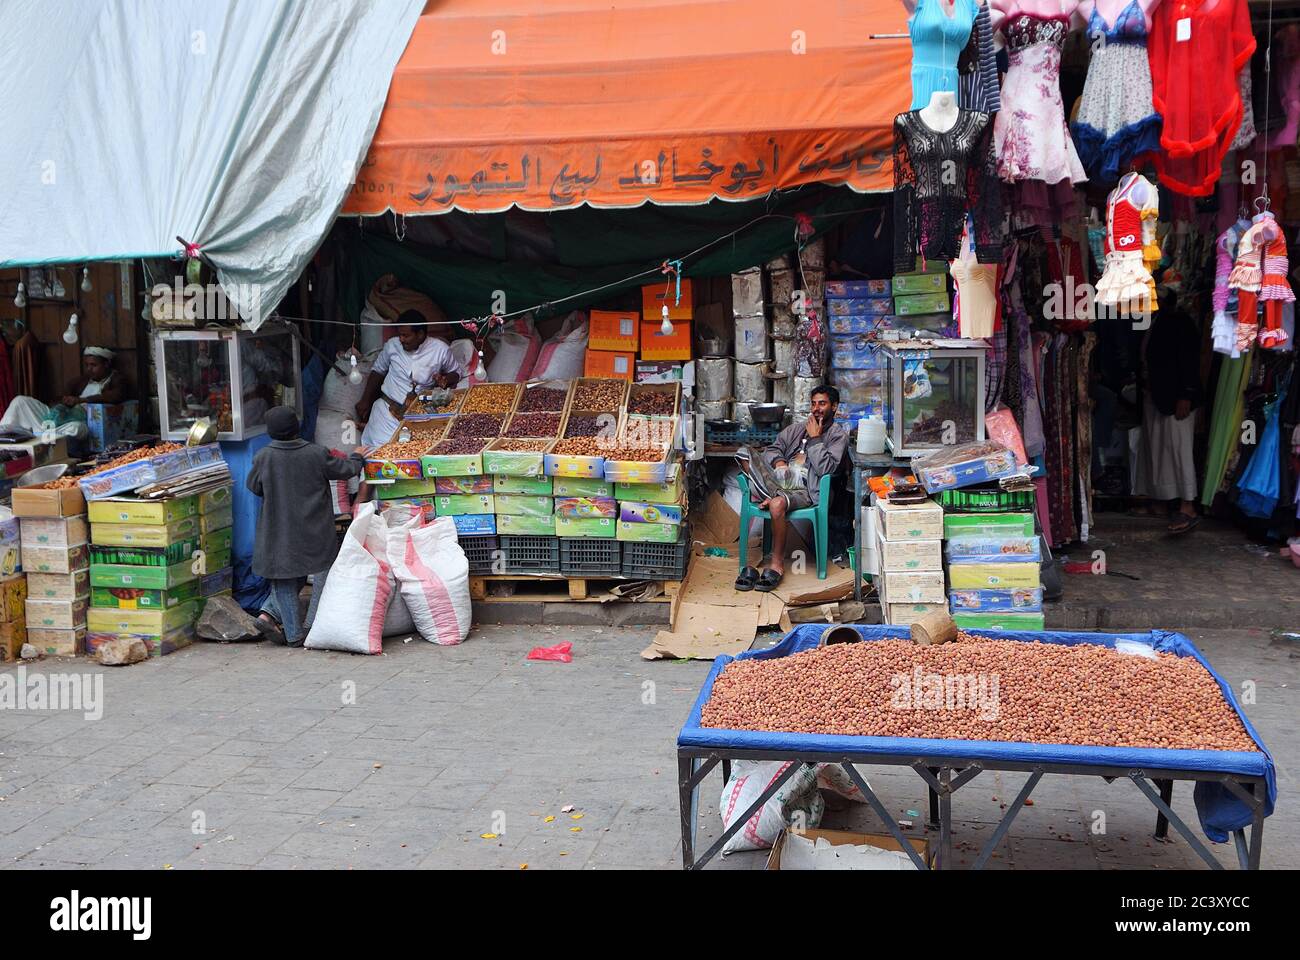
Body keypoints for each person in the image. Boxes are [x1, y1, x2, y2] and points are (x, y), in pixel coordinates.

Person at [246, 406, 369, 646]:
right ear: (297, 428)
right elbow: (347, 470)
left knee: (285, 579)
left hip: (278, 531)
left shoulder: (263, 457)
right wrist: (357, 456)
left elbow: (255, 486)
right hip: (314, 531)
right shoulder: (316, 453)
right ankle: (305, 628)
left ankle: (280, 623)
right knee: (312, 573)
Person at [735, 385, 849, 591]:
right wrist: (779, 462)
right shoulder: (796, 429)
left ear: (834, 406)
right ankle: (770, 493)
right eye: (813, 404)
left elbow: (826, 468)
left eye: (822, 404)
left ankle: (776, 565)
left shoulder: (837, 436)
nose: (817, 409)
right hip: (781, 482)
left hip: (805, 491)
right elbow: (773, 449)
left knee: (777, 505)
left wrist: (815, 439)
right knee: (745, 453)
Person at [1134, 288, 1202, 534]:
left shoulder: (1181, 323)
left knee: (1178, 449)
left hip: (1176, 399)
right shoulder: (1157, 322)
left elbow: (1189, 360)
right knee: (1159, 449)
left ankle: (1188, 505)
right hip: (1158, 396)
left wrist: (1186, 393)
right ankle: (1163, 499)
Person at [355, 312, 462, 446]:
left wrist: (445, 379)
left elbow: (456, 372)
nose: (401, 339)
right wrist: (365, 400)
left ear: (420, 334)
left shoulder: (440, 349)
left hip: (420, 414)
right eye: (399, 334)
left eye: (406, 335)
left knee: (411, 453)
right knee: (379, 453)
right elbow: (378, 371)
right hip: (386, 410)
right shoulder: (392, 345)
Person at [0, 345, 124, 439]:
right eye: (87, 365)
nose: (89, 369)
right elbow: (60, 397)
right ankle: (5, 435)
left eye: (93, 365)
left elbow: (116, 396)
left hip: (80, 421)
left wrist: (82, 400)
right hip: (59, 417)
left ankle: (44, 437)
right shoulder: (84, 379)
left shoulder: (116, 379)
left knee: (77, 429)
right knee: (20, 400)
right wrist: (65, 401)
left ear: (106, 364)